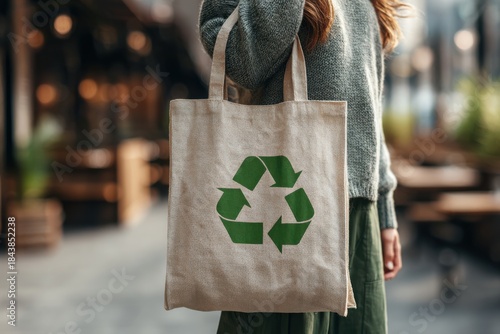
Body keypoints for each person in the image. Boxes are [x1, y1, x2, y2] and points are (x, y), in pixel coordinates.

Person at [199, 0, 406, 332]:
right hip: (285, 202)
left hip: (359, 211)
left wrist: (383, 204)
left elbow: (369, 98)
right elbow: (242, 62)